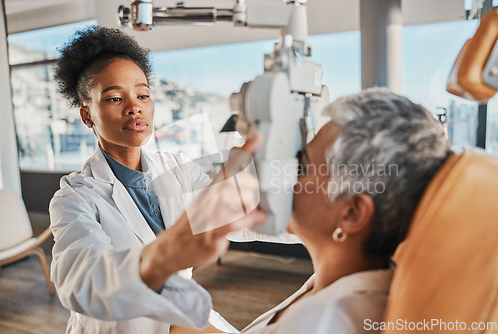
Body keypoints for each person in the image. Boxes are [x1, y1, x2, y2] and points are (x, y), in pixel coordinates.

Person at [49, 25, 266, 334]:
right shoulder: (74, 197)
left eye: (143, 94)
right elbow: (81, 281)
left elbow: (235, 216)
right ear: (87, 115)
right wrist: (166, 254)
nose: (134, 106)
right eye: (114, 98)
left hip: (180, 318)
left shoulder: (178, 168)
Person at [231, 88, 450, 334]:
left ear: (352, 214)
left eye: (302, 167)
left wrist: (180, 259)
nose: (286, 176)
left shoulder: (322, 321)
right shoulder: (341, 286)